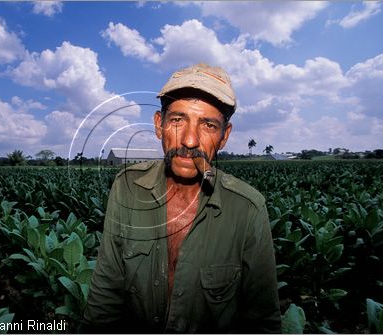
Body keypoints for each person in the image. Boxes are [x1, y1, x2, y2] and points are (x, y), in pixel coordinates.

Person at [81, 63, 281, 333]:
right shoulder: (127, 186)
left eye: (208, 125)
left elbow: (262, 321)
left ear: (224, 137)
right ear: (158, 125)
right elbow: (106, 292)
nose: (189, 140)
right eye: (177, 120)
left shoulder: (248, 208)